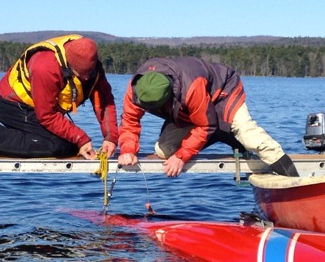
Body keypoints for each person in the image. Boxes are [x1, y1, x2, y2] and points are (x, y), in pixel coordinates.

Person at [117, 56, 298, 177]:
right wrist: (127, 150)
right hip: (194, 112)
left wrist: (182, 157)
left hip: (222, 92)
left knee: (249, 136)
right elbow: (130, 121)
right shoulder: (137, 88)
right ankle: (219, 134)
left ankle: (292, 180)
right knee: (164, 151)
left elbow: (205, 126)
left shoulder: (191, 88)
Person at [0, 34, 118, 160]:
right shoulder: (45, 67)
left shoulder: (92, 66)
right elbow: (47, 116)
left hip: (37, 109)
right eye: (81, 75)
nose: (87, 78)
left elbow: (104, 101)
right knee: (61, 146)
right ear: (69, 65)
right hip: (11, 105)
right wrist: (80, 138)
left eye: (90, 73)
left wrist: (110, 137)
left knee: (71, 144)